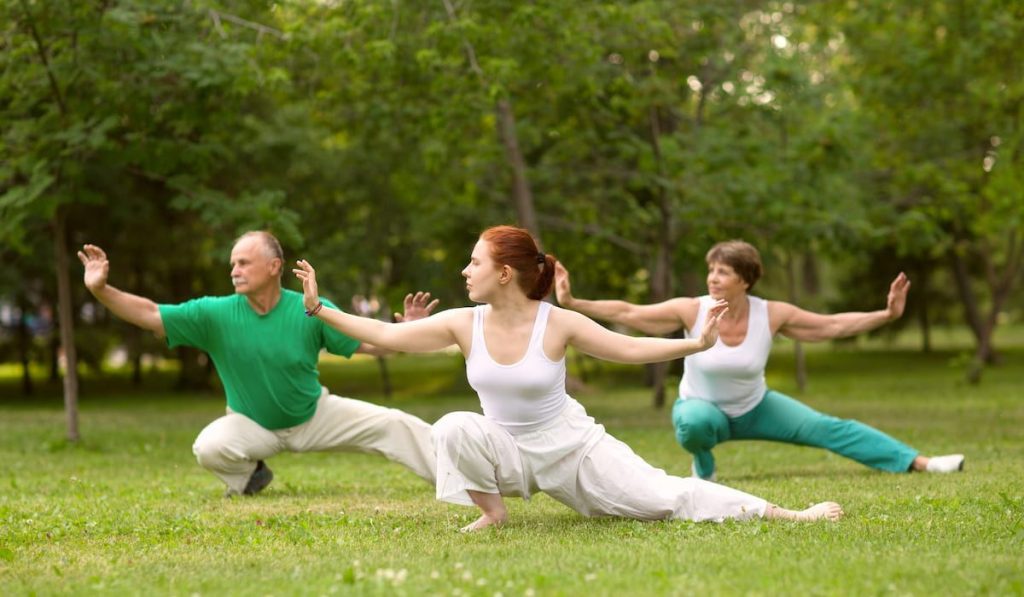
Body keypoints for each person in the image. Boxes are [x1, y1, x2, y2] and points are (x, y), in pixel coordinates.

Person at [293, 225, 843, 531]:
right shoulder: (463, 323)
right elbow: (385, 337)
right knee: (453, 426)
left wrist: (695, 343)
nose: (465, 271)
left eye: (474, 263)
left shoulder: (557, 322)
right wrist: (320, 309)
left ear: (504, 273)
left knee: (664, 499)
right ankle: (493, 513)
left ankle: (787, 513)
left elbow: (627, 347)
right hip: (507, 449)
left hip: (573, 450)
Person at [554, 239, 965, 481]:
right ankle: (704, 464)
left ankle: (920, 463)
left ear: (745, 280)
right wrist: (573, 302)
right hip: (704, 409)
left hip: (756, 407)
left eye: (724, 271)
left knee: (830, 428)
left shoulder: (772, 314)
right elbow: (629, 312)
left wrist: (888, 315)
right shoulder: (690, 308)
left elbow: (832, 326)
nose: (713, 277)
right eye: (712, 269)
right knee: (695, 424)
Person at [78, 231, 439, 496]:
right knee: (209, 447)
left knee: (394, 423)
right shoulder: (214, 313)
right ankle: (251, 477)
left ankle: (458, 478)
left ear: (274, 266)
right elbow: (151, 314)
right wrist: (101, 291)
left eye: (243, 262)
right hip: (251, 425)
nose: (234, 270)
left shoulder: (310, 307)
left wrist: (408, 332)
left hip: (315, 415)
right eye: (232, 263)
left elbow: (371, 344)